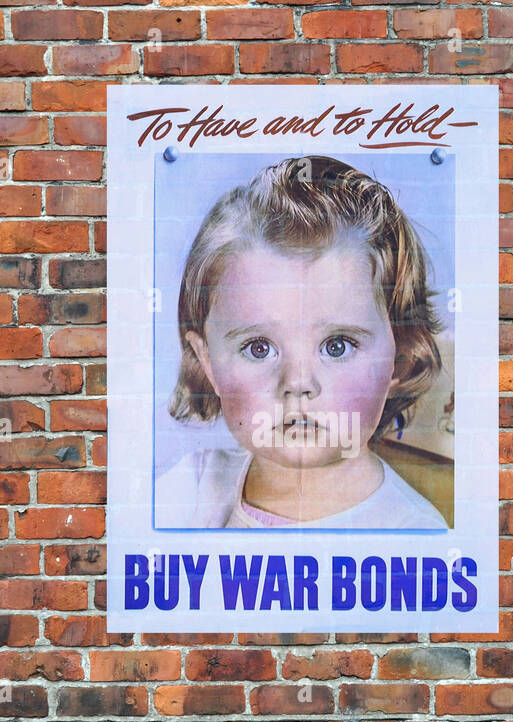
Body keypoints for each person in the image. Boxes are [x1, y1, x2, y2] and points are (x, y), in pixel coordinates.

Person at [156, 155, 449, 530]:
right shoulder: (193, 486)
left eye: (337, 346)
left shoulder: (415, 535)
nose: (297, 384)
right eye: (259, 348)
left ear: (401, 358)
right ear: (208, 362)